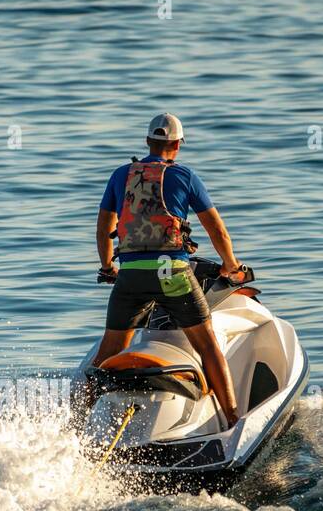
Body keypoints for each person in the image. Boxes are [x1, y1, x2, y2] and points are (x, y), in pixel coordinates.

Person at [91, 112, 251, 426]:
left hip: (131, 277)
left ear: (148, 141)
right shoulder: (185, 176)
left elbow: (103, 228)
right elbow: (217, 231)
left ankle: (77, 421)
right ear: (177, 145)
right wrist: (231, 266)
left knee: (105, 358)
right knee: (207, 346)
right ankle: (233, 420)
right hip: (172, 274)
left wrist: (108, 266)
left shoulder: (120, 175)